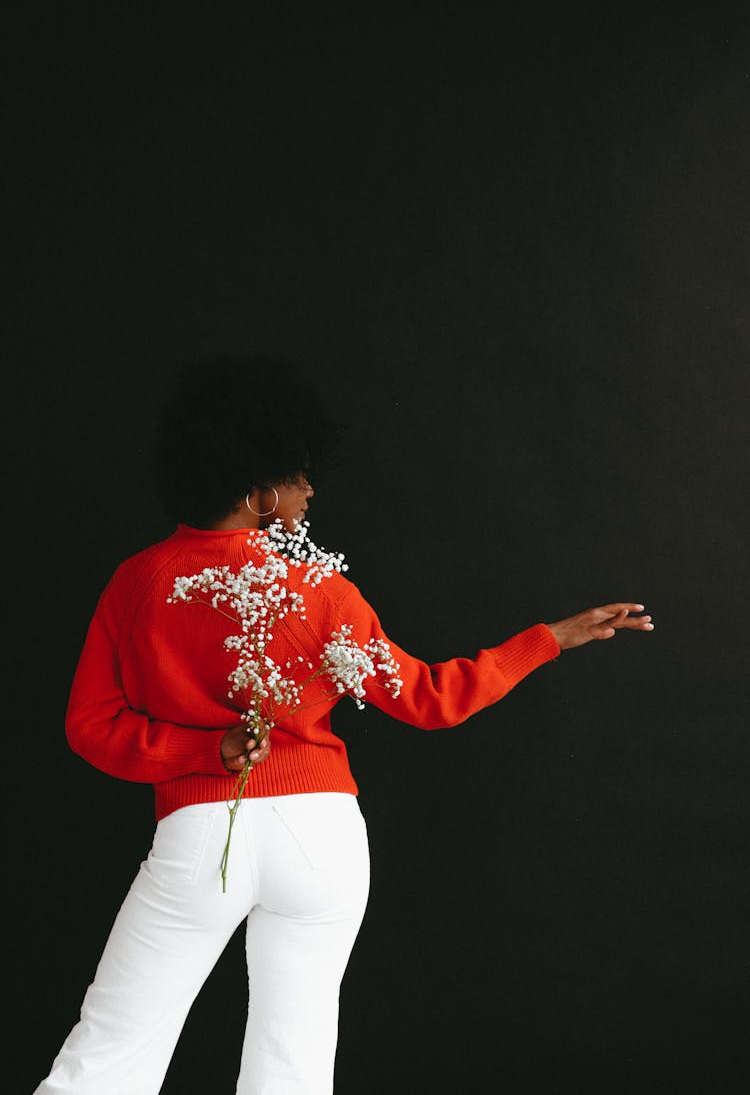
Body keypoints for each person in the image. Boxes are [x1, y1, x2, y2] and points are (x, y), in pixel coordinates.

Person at [33, 354, 654, 1095]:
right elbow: (430, 698)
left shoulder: (137, 582)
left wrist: (205, 747)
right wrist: (548, 638)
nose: (310, 489)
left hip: (201, 835)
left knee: (110, 1048)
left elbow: (89, 724)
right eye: (299, 473)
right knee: (292, 1066)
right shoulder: (319, 592)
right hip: (322, 839)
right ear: (259, 490)